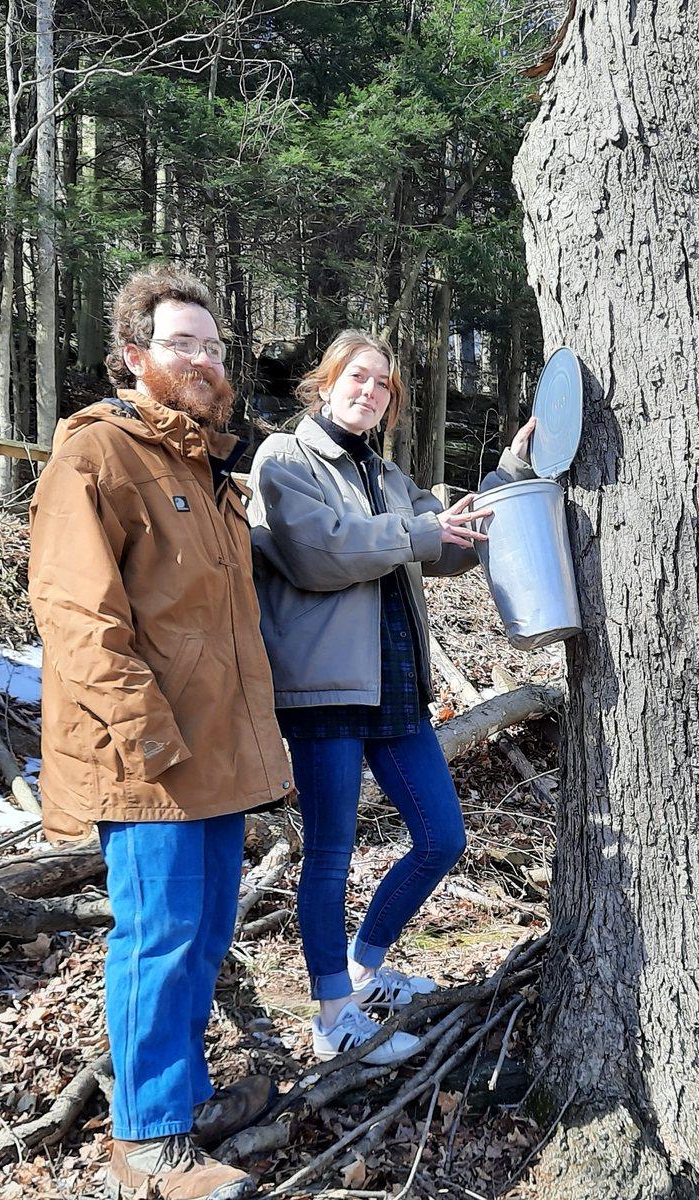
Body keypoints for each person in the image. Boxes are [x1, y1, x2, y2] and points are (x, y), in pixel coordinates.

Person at [28, 264, 291, 1200]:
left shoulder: (207, 472)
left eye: (213, 346)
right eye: (183, 343)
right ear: (134, 356)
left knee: (208, 932)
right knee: (162, 936)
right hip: (151, 759)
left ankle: (181, 1101)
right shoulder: (97, 458)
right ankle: (146, 1141)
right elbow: (75, 614)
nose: (203, 360)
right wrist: (145, 737)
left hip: (216, 754)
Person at [251, 330, 534, 1064]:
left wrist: (510, 475)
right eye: (358, 377)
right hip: (326, 690)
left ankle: (363, 969)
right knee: (332, 854)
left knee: (443, 837)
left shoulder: (384, 471)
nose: (370, 391)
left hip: (396, 684)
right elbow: (320, 552)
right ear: (325, 383)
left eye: (383, 385)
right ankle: (331, 1017)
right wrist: (419, 527)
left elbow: (447, 543)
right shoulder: (286, 459)